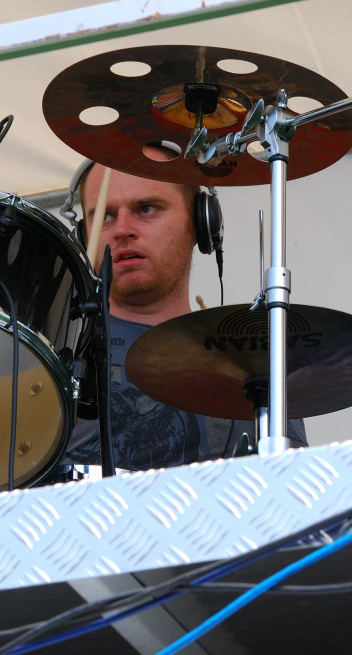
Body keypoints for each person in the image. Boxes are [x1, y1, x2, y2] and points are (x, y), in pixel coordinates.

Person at [62, 160, 307, 472]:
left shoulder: (252, 360)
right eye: (105, 216)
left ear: (200, 222)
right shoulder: (48, 353)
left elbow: (292, 497)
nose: (122, 229)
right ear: (84, 236)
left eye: (146, 208)